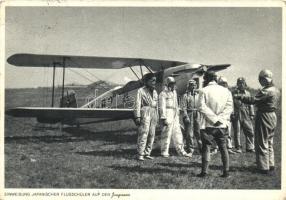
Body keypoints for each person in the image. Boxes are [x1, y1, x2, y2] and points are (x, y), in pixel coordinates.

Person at [234, 69, 280, 174]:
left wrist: (239, 97)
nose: (260, 82)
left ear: (264, 79)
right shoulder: (276, 90)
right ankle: (270, 163)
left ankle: (263, 167)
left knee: (261, 140)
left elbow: (253, 100)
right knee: (269, 140)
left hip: (264, 115)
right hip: (273, 115)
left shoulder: (266, 91)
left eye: (261, 79)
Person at [197, 71, 233, 178]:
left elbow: (201, 107)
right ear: (215, 79)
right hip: (222, 125)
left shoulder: (203, 90)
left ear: (206, 79)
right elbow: (229, 107)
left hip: (208, 125)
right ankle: (226, 172)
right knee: (223, 147)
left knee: (206, 147)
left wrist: (214, 119)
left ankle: (204, 172)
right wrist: (220, 119)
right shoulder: (226, 91)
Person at [159, 76, 192, 158]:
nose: (173, 85)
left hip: (174, 114)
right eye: (171, 84)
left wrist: (177, 113)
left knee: (178, 133)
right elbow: (162, 106)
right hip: (167, 113)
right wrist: (163, 117)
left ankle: (181, 151)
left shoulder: (174, 92)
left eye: (173, 83)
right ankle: (164, 152)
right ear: (167, 84)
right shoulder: (163, 94)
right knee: (167, 133)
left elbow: (176, 104)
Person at [134, 73, 158, 161]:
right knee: (144, 133)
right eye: (152, 80)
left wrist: (157, 116)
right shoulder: (141, 91)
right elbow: (137, 104)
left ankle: (147, 152)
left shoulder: (155, 91)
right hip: (145, 111)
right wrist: (137, 116)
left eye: (155, 80)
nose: (154, 82)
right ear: (147, 81)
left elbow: (157, 105)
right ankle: (140, 153)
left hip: (153, 112)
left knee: (152, 134)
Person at [232, 77, 255, 153]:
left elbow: (251, 104)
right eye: (239, 83)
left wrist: (252, 114)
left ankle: (250, 147)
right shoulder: (234, 93)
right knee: (237, 131)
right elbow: (231, 104)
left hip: (246, 113)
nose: (241, 84)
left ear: (245, 84)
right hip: (237, 113)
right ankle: (238, 147)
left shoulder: (247, 93)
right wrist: (232, 113)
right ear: (237, 84)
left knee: (250, 131)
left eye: (242, 83)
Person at [181, 79, 202, 154]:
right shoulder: (185, 95)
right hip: (189, 113)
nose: (193, 86)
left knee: (198, 131)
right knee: (189, 132)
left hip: (197, 113)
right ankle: (190, 149)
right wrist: (186, 116)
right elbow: (183, 107)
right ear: (188, 86)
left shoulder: (198, 95)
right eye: (191, 85)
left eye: (194, 85)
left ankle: (201, 148)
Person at [217, 76, 236, 155]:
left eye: (224, 83)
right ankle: (216, 147)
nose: (223, 85)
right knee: (217, 130)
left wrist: (232, 113)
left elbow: (231, 104)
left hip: (227, 115)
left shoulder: (228, 92)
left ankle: (229, 147)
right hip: (218, 114)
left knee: (228, 131)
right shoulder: (216, 92)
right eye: (222, 83)